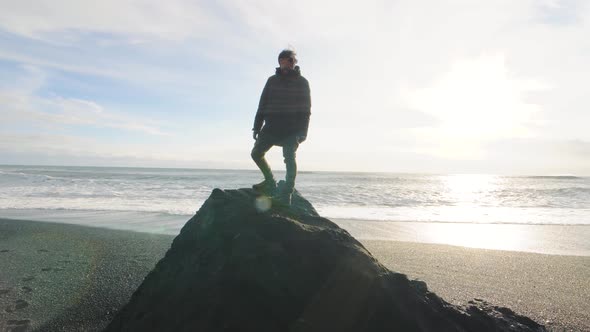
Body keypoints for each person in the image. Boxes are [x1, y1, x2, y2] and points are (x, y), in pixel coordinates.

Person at [251, 49, 311, 206]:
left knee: (289, 159)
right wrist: (257, 126)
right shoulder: (271, 81)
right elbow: (262, 103)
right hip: (271, 127)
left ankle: (287, 194)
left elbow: (306, 110)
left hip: (292, 130)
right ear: (279, 62)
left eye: (289, 60)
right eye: (282, 60)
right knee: (256, 153)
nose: (285, 63)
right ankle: (270, 181)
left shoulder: (302, 82)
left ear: (294, 62)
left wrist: (303, 132)